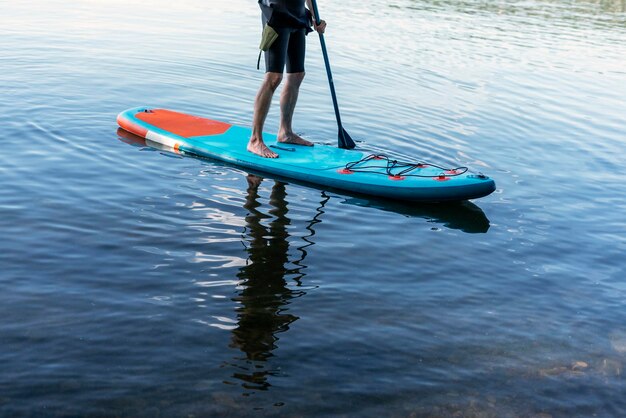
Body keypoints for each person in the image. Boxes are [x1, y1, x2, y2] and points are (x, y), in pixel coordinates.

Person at [248, 0, 327, 158]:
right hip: (276, 14)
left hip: (298, 16)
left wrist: (315, 17)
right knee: (274, 77)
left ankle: (285, 132)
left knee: (297, 74)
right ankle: (255, 140)